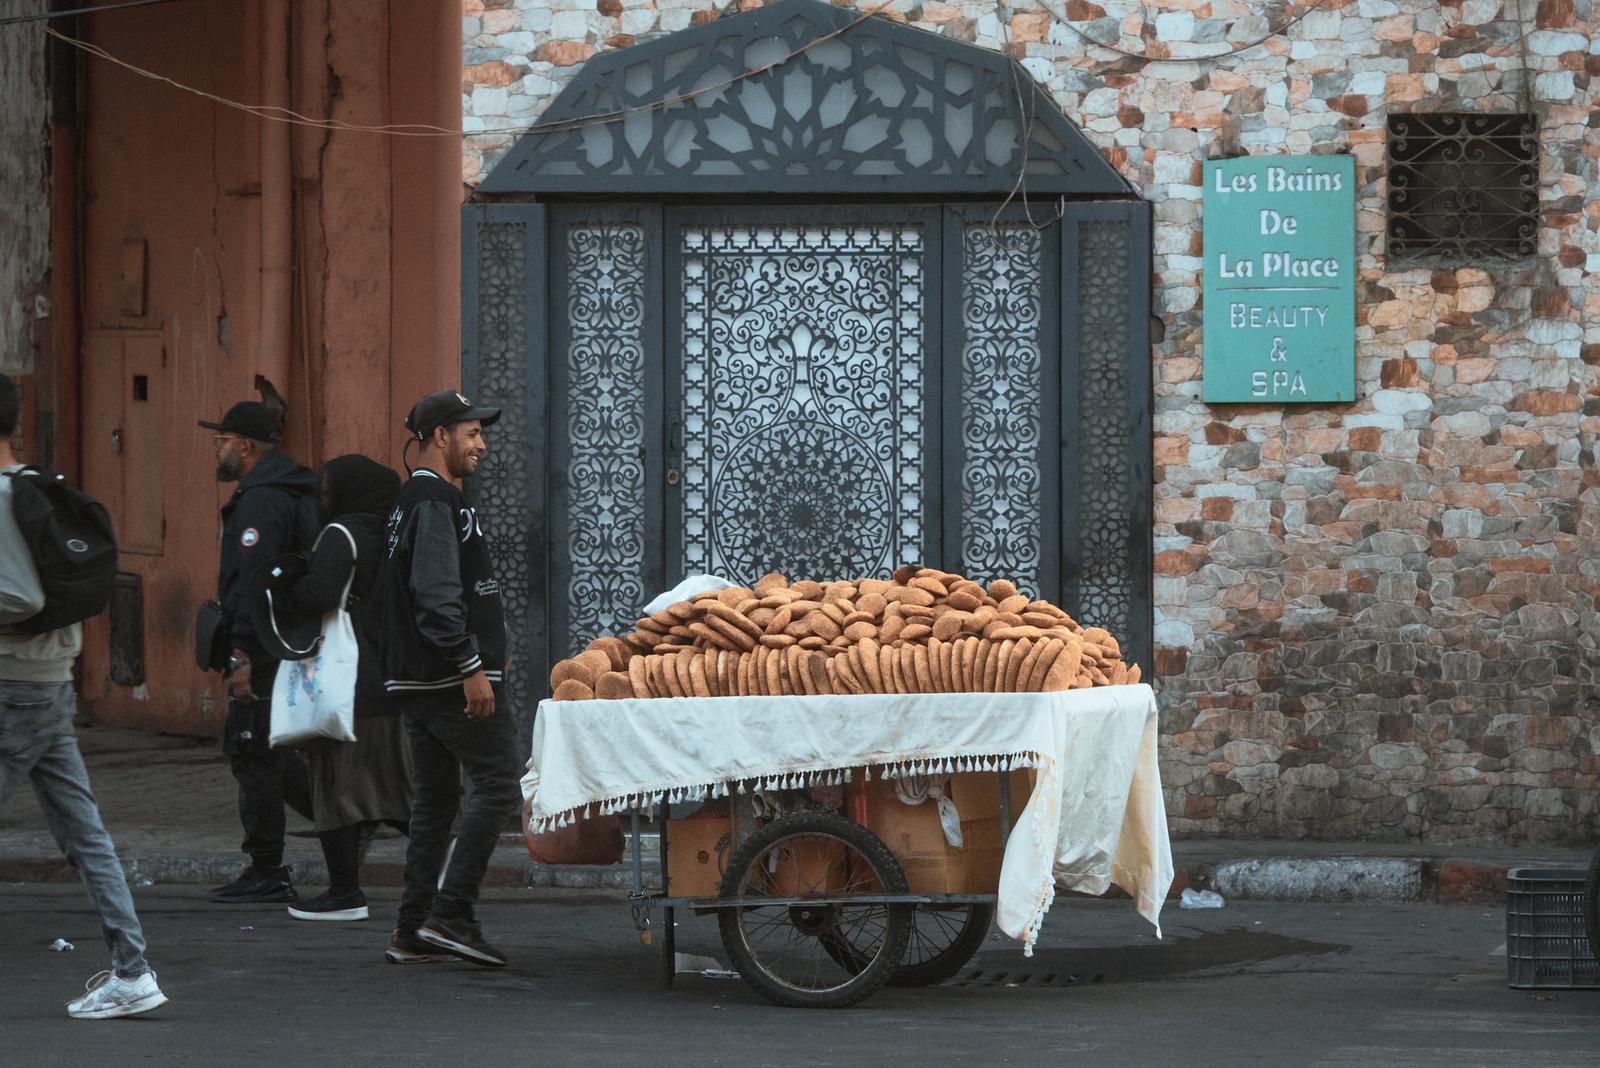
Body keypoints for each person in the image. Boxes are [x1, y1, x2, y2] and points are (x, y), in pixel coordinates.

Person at [0, 373, 169, 1019]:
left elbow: (22, 597)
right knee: (86, 835)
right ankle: (133, 971)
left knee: (87, 834)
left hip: (14, 691)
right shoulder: (35, 488)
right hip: (49, 687)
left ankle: (134, 971)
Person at [379, 390, 518, 967]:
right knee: (498, 784)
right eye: (471, 433)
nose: (481, 443)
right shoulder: (434, 501)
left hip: (421, 680)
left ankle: (412, 929)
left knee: (435, 802)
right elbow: (436, 597)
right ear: (441, 436)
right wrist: (471, 667)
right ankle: (452, 914)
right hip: (448, 680)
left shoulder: (411, 501)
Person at [272, 455, 414, 922]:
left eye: (330, 488)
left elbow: (321, 594)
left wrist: (286, 585)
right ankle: (444, 869)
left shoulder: (340, 534)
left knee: (334, 786)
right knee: (397, 788)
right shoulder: (396, 532)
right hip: (391, 676)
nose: (323, 498)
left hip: (346, 680)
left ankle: (344, 893)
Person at [200, 400, 317, 903]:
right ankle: (347, 822)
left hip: (265, 645)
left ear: (244, 446)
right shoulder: (287, 490)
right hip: (285, 640)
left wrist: (243, 653)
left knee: (252, 752)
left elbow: (254, 581)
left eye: (221, 441)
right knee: (274, 749)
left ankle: (268, 867)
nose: (218, 450)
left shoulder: (263, 500)